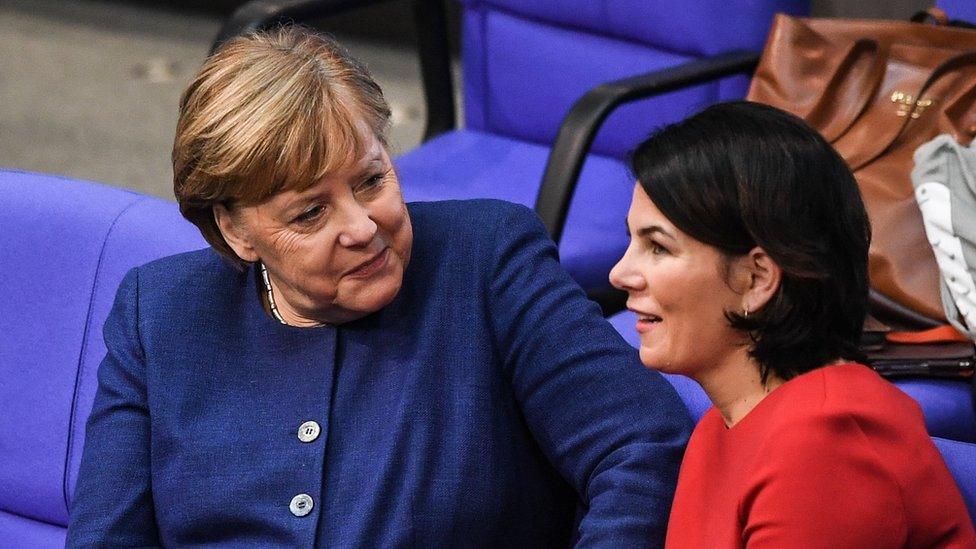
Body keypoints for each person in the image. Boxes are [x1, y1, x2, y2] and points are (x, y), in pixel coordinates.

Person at [65, 27, 691, 547]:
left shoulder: (485, 262)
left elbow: (641, 447)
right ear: (234, 230)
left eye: (371, 180)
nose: (364, 227)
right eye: (310, 214)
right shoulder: (161, 312)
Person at [609, 101, 976, 547]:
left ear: (758, 279)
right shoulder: (724, 423)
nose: (619, 274)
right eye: (632, 241)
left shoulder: (825, 451)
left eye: (658, 248)